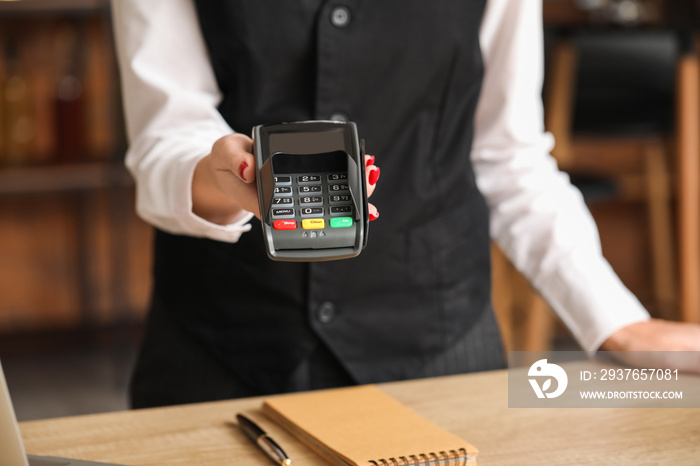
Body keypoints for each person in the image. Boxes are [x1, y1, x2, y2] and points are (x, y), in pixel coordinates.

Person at [112, 0, 700, 408]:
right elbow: (165, 138)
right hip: (221, 343)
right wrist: (227, 183)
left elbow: (508, 156)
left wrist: (618, 322)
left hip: (437, 344)